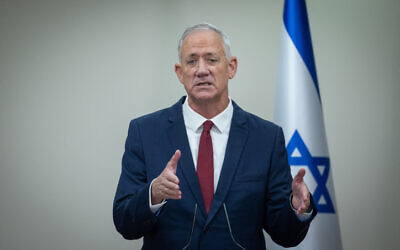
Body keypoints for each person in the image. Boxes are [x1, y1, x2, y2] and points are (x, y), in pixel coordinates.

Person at [113, 23, 317, 250]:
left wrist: (298, 207)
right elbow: (124, 222)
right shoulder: (145, 132)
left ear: (231, 67)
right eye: (191, 61)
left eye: (211, 59)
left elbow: (285, 235)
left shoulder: (266, 138)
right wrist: (153, 194)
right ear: (180, 73)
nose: (201, 70)